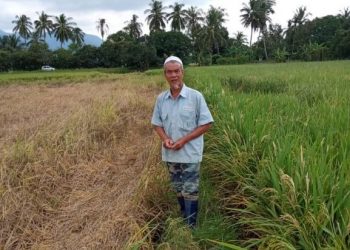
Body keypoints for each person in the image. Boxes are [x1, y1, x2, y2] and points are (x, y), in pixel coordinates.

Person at [151, 56, 214, 227]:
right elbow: (157, 124)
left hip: (190, 153)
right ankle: (184, 216)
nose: (173, 75)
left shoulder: (195, 97)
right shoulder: (161, 99)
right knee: (178, 188)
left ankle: (190, 227)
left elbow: (206, 123)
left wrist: (184, 141)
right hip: (171, 153)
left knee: (190, 190)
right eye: (169, 72)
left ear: (182, 72)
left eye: (176, 71)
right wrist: (165, 139)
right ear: (165, 75)